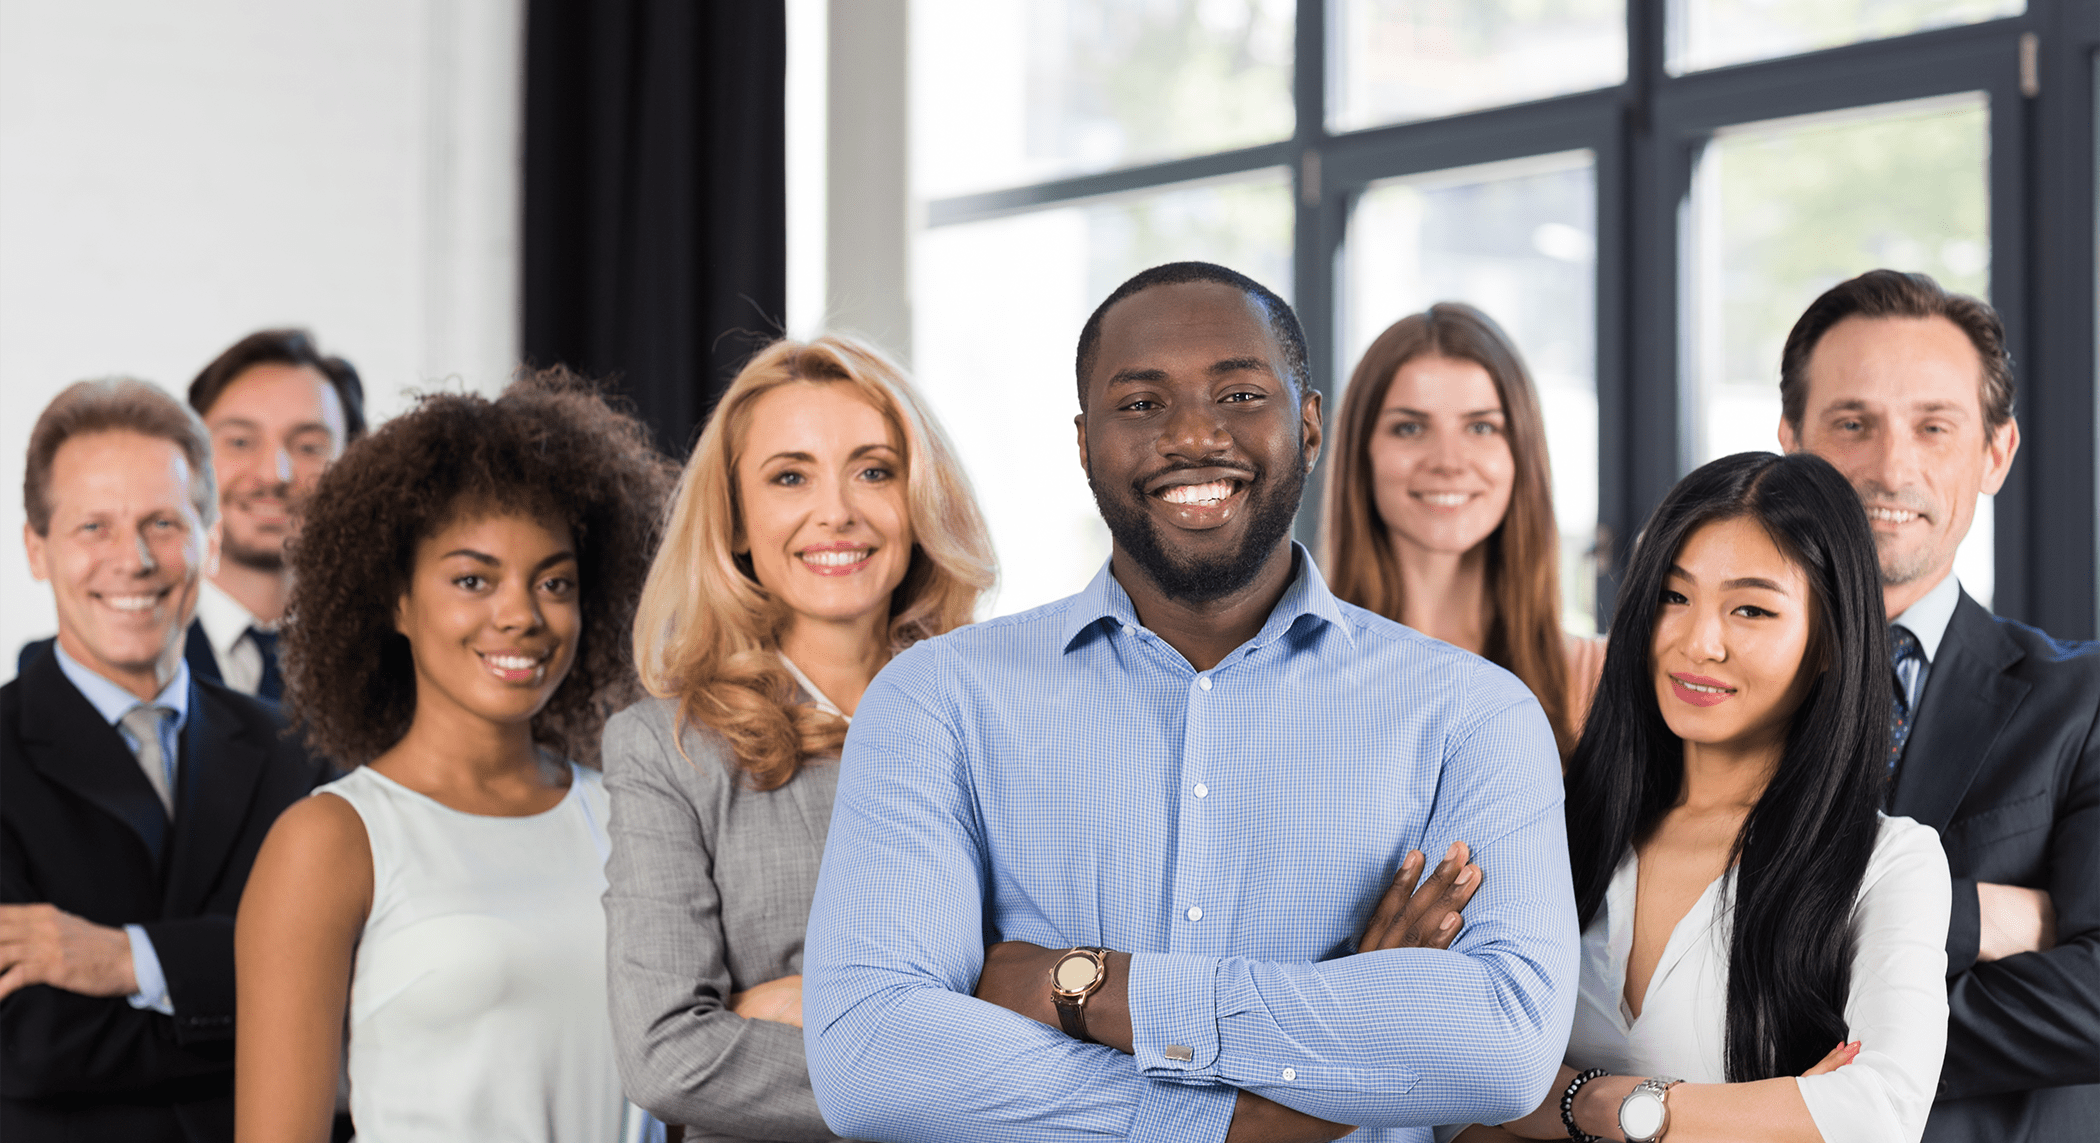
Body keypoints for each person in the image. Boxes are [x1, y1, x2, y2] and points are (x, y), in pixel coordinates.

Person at [802, 261, 1578, 1143]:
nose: (1196, 436)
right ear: (1085, 441)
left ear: (1310, 424)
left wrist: (1089, 986)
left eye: (1241, 394)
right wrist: (1280, 1091)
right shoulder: (935, 700)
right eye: (1140, 404)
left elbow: (1504, 1044)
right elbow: (870, 1055)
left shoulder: (1473, 714)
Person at [1448, 451, 1951, 1143]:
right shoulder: (1554, 823)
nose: (1698, 642)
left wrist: (1582, 1101)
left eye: (1750, 608)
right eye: (1673, 597)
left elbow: (1878, 1112)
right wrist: (1775, 1110)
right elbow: (1452, 1093)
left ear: (1830, 639)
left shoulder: (1890, 861)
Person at [232, 371, 675, 1143]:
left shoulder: (631, 815)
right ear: (397, 600)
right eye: (473, 578)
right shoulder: (332, 841)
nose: (520, 615)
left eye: (554, 581)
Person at [601, 337, 995, 1141]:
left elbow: (1074, 988)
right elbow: (669, 1055)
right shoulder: (666, 748)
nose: (838, 509)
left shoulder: (999, 721)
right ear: (738, 521)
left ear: (919, 497)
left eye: (874, 469)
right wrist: (962, 1067)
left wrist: (816, 1003)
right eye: (790, 476)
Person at [1776, 270, 2100, 1142]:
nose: (1892, 466)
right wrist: (1983, 918)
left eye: (1934, 426)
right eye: (1853, 423)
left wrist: (1799, 1029)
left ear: (1994, 454)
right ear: (1791, 446)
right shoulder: (1704, 684)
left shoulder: (2085, 701)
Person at [1, 378, 330, 1141]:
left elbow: (351, 972)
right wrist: (263, 1009)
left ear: (209, 541)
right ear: (35, 548)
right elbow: (28, 1044)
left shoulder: (303, 750)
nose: (135, 559)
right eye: (93, 527)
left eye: (162, 522)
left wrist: (133, 960)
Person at [1323, 303, 1604, 764]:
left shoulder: (1599, 680)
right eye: (1410, 428)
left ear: (1520, 454)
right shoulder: (1287, 678)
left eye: (1481, 427)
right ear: (1363, 454)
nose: (1448, 461)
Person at [185, 328, 365, 702]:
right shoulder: (129, 651)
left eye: (309, 447)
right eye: (239, 442)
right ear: (188, 458)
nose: (274, 475)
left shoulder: (392, 661)